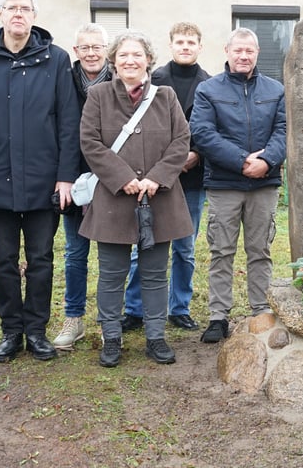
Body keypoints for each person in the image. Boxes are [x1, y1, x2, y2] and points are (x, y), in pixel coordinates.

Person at [0, 0, 81, 363]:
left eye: (25, 8)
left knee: (41, 258)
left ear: (34, 15)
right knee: (2, 259)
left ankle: (36, 331)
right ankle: (11, 331)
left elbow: (68, 122)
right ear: (0, 13)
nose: (18, 14)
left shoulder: (56, 59)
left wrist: (65, 176)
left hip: (43, 180)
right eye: (11, 8)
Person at [78, 30, 193, 367]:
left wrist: (156, 177)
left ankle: (155, 337)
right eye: (123, 55)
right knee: (111, 274)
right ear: (114, 61)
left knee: (155, 273)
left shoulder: (166, 96)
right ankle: (112, 337)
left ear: (148, 60)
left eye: (137, 55)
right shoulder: (98, 95)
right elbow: (90, 142)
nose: (130, 61)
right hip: (114, 199)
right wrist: (123, 177)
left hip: (160, 198)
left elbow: (181, 140)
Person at [191, 28, 286, 343]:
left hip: (264, 184)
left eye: (249, 51)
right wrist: (242, 160)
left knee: (260, 250)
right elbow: (202, 132)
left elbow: (284, 130)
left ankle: (261, 311)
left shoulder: (275, 89)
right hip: (224, 184)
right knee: (221, 251)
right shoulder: (208, 90)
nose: (244, 56)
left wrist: (267, 160)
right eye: (238, 50)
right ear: (227, 51)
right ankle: (218, 316)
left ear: (257, 53)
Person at [122, 22, 212, 333]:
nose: (185, 47)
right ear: (171, 45)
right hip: (152, 179)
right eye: (180, 42)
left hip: (191, 179)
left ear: (199, 47)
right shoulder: (152, 81)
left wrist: (196, 152)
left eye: (191, 42)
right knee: (143, 245)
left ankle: (179, 307)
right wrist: (165, 164)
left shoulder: (209, 84)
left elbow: (212, 127)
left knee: (185, 249)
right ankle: (135, 309)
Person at [53, 23, 112, 351]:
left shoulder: (118, 80)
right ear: (76, 51)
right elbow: (59, 130)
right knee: (76, 253)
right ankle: (73, 319)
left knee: (111, 255)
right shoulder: (64, 81)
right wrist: (64, 176)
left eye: (97, 47)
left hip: (111, 180)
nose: (91, 53)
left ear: (106, 49)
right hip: (74, 180)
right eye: (85, 47)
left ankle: (107, 321)